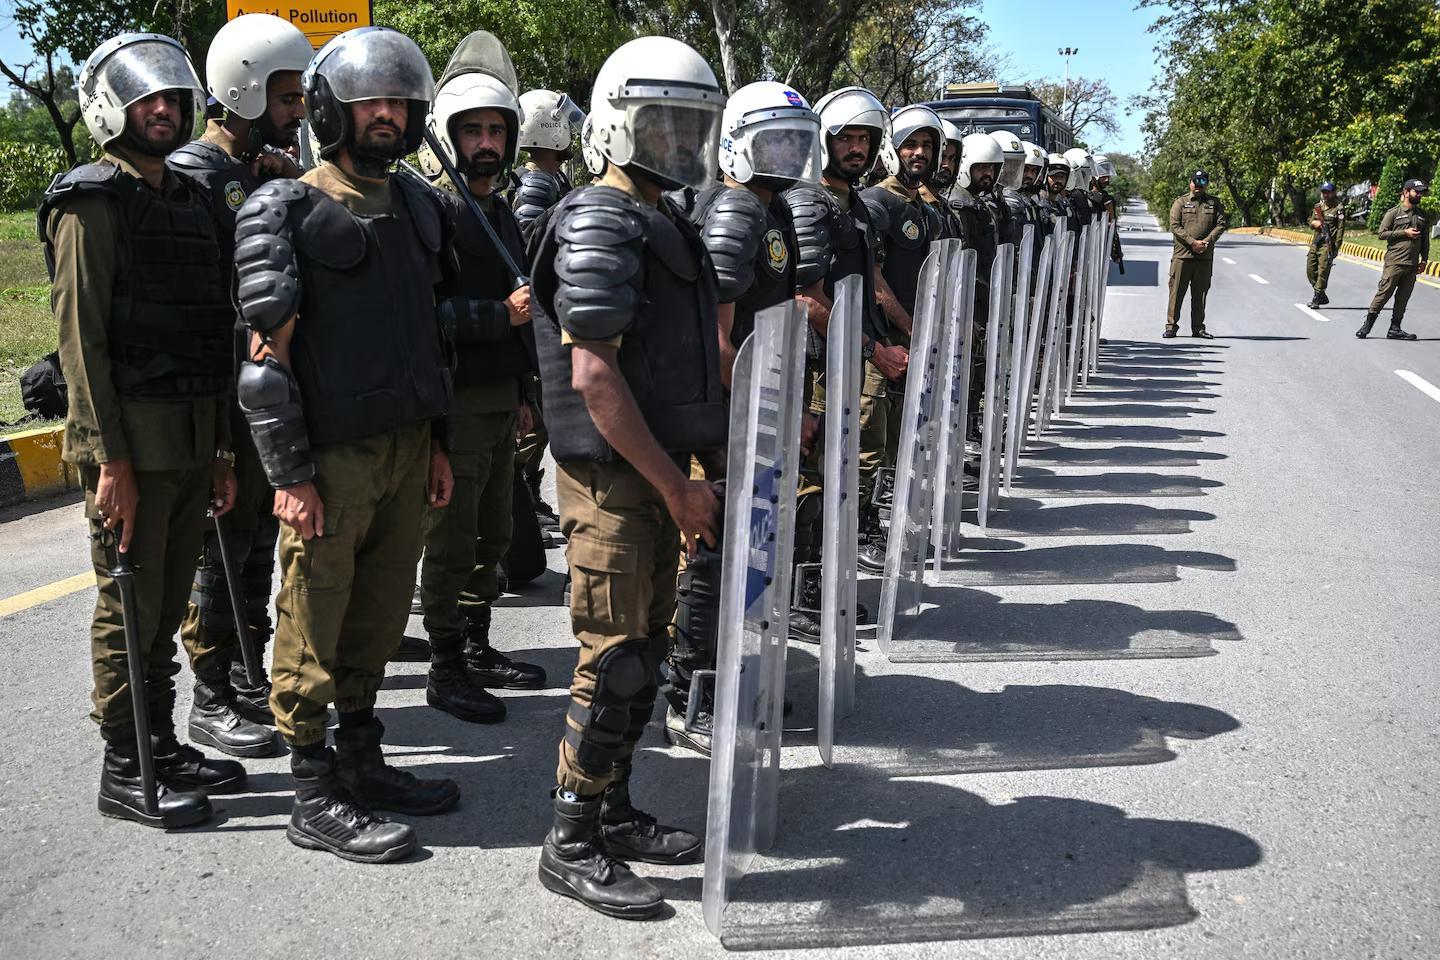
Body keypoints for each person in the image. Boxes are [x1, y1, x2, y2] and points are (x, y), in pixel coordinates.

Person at [232, 25, 459, 863]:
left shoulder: (420, 206)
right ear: (334, 109)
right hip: (330, 459)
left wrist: (434, 442)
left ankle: (363, 761)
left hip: (404, 450)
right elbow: (264, 366)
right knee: (313, 617)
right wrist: (289, 475)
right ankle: (313, 789)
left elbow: (428, 338)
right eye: (371, 101)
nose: (387, 115)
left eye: (399, 100)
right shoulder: (284, 209)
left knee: (377, 612)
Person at [529, 35, 726, 918]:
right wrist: (678, 487)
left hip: (654, 472)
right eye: (661, 125)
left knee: (642, 655)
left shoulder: (660, 213)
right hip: (615, 477)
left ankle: (611, 810)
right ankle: (569, 840)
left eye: (691, 126)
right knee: (611, 661)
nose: (679, 142)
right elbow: (595, 376)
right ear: (615, 126)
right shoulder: (601, 218)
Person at [43, 32, 245, 828]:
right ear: (110, 109)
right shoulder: (91, 201)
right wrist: (108, 460)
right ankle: (126, 765)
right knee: (127, 605)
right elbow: (82, 344)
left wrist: (223, 448)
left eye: (171, 95)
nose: (162, 108)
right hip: (134, 448)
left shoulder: (191, 199)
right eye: (144, 98)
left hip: (194, 439)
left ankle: (159, 740)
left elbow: (210, 333)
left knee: (164, 608)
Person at [168, 12, 313, 760]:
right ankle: (211, 691)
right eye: (288, 99)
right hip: (220, 399)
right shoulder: (197, 177)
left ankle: (246, 669)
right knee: (219, 547)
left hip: (261, 395)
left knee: (256, 542)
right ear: (245, 93)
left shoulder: (258, 171)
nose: (297, 114)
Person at [663, 80, 818, 752]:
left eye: (794, 140)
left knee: (747, 546)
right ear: (735, 143)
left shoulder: (769, 208)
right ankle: (688, 688)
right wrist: (756, 414)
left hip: (758, 405)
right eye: (772, 139)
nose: (785, 153)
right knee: (715, 546)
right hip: (727, 414)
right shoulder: (734, 211)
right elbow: (719, 338)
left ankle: (731, 671)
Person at [414, 31, 547, 728]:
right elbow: (424, 312)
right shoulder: (432, 207)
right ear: (449, 135)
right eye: (473, 131)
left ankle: (477, 645)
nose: (486, 142)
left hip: (500, 403)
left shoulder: (503, 208)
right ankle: (445, 666)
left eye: (497, 129)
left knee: (494, 537)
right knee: (453, 540)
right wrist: (498, 318)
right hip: (455, 403)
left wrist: (525, 393)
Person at [787, 86, 904, 575]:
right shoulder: (809, 203)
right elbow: (807, 299)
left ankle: (826, 577)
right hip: (817, 364)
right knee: (809, 481)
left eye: (865, 138)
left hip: (845, 361)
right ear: (823, 141)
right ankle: (798, 589)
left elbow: (874, 283)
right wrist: (874, 350)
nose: (856, 148)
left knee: (841, 469)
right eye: (846, 138)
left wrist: (912, 332)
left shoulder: (853, 203)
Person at [510, 87, 586, 537]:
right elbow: (530, 243)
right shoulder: (537, 181)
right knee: (535, 419)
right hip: (540, 312)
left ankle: (528, 498)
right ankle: (521, 499)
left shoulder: (551, 178)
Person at [951, 133, 1002, 440]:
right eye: (982, 167)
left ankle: (969, 429)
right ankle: (961, 437)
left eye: (992, 168)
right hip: (968, 302)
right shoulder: (960, 205)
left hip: (982, 300)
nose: (988, 174)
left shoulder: (978, 203)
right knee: (965, 373)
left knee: (978, 371)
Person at [1357, 178, 1430, 340]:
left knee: (1403, 299)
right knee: (1383, 294)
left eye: (1420, 192)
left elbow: (1425, 241)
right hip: (1395, 263)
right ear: (1406, 192)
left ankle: (1395, 329)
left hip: (1411, 265)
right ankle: (1366, 326)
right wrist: (1404, 233)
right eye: (1415, 191)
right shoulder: (1393, 213)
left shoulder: (1422, 216)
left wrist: (1424, 260)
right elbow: (1382, 234)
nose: (1419, 195)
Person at [1166, 168, 1228, 339]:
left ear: (1207, 184)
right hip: (1182, 255)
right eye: (1196, 182)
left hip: (1204, 256)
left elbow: (1221, 224)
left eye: (1202, 182)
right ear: (1190, 183)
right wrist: (1192, 242)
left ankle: (1198, 328)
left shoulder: (1215, 203)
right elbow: (1175, 225)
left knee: (1200, 294)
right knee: (1176, 293)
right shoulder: (1180, 202)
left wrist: (1206, 242)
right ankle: (1171, 326)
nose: (1198, 186)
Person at [1306, 181, 1346, 309]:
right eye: (1324, 192)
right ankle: (1321, 293)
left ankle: (1317, 298)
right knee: (1311, 270)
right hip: (1316, 242)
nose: (1326, 195)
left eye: (1328, 192)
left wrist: (1336, 246)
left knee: (1323, 271)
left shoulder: (1339, 209)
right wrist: (1315, 223)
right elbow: (1310, 221)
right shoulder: (1318, 206)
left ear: (1334, 193)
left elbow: (1340, 229)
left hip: (1328, 244)